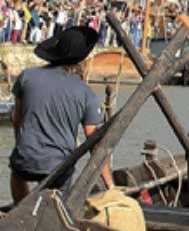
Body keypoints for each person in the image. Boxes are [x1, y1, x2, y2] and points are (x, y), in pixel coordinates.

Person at [8, 25, 112, 202]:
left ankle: (21, 207)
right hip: (58, 166)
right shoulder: (85, 91)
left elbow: (16, 120)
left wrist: (22, 146)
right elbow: (93, 140)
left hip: (25, 159)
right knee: (59, 196)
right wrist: (110, 184)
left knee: (17, 171)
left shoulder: (27, 76)